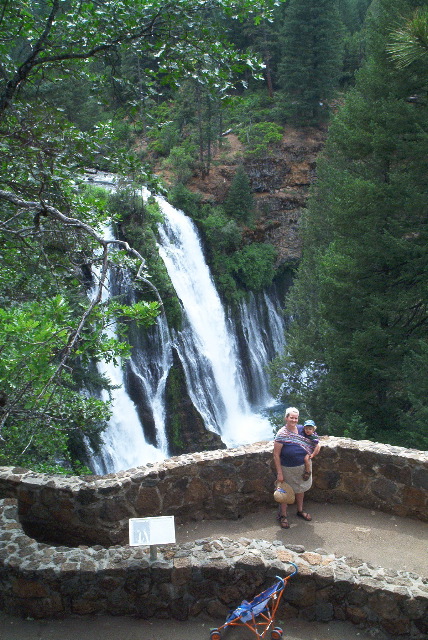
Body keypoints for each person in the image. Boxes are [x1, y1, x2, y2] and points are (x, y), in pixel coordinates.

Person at [273, 407, 317, 529]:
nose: (294, 420)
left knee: (300, 489)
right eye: (291, 417)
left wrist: (312, 453)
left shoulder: (302, 429)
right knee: (284, 492)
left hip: (303, 467)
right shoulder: (282, 434)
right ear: (286, 418)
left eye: (296, 418)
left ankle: (300, 510)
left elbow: (316, 439)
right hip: (287, 468)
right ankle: (283, 515)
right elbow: (276, 455)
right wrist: (279, 473)